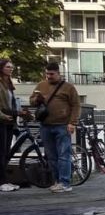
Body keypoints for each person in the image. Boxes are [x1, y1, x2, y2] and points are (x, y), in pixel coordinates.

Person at [29, 62, 80, 194]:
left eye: (51, 74)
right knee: (51, 156)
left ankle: (65, 182)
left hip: (63, 125)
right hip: (46, 125)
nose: (49, 76)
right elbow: (31, 101)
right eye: (47, 74)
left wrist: (72, 122)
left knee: (64, 155)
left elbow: (76, 105)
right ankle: (57, 181)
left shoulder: (68, 87)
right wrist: (37, 99)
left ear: (58, 73)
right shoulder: (41, 85)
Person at [0, 58, 21, 192]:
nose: (11, 69)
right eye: (8, 67)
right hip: (1, 121)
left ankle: (4, 180)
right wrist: (2, 115)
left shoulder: (8, 84)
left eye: (12, 67)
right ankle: (2, 182)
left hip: (8, 121)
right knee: (1, 152)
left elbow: (11, 102)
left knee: (6, 152)